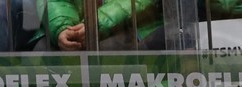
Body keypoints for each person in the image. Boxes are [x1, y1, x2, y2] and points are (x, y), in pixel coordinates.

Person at [31, 0, 163, 50]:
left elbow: (138, 3)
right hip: (80, 28)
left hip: (135, 27)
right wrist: (63, 28)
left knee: (108, 49)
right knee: (43, 48)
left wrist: (97, 24)